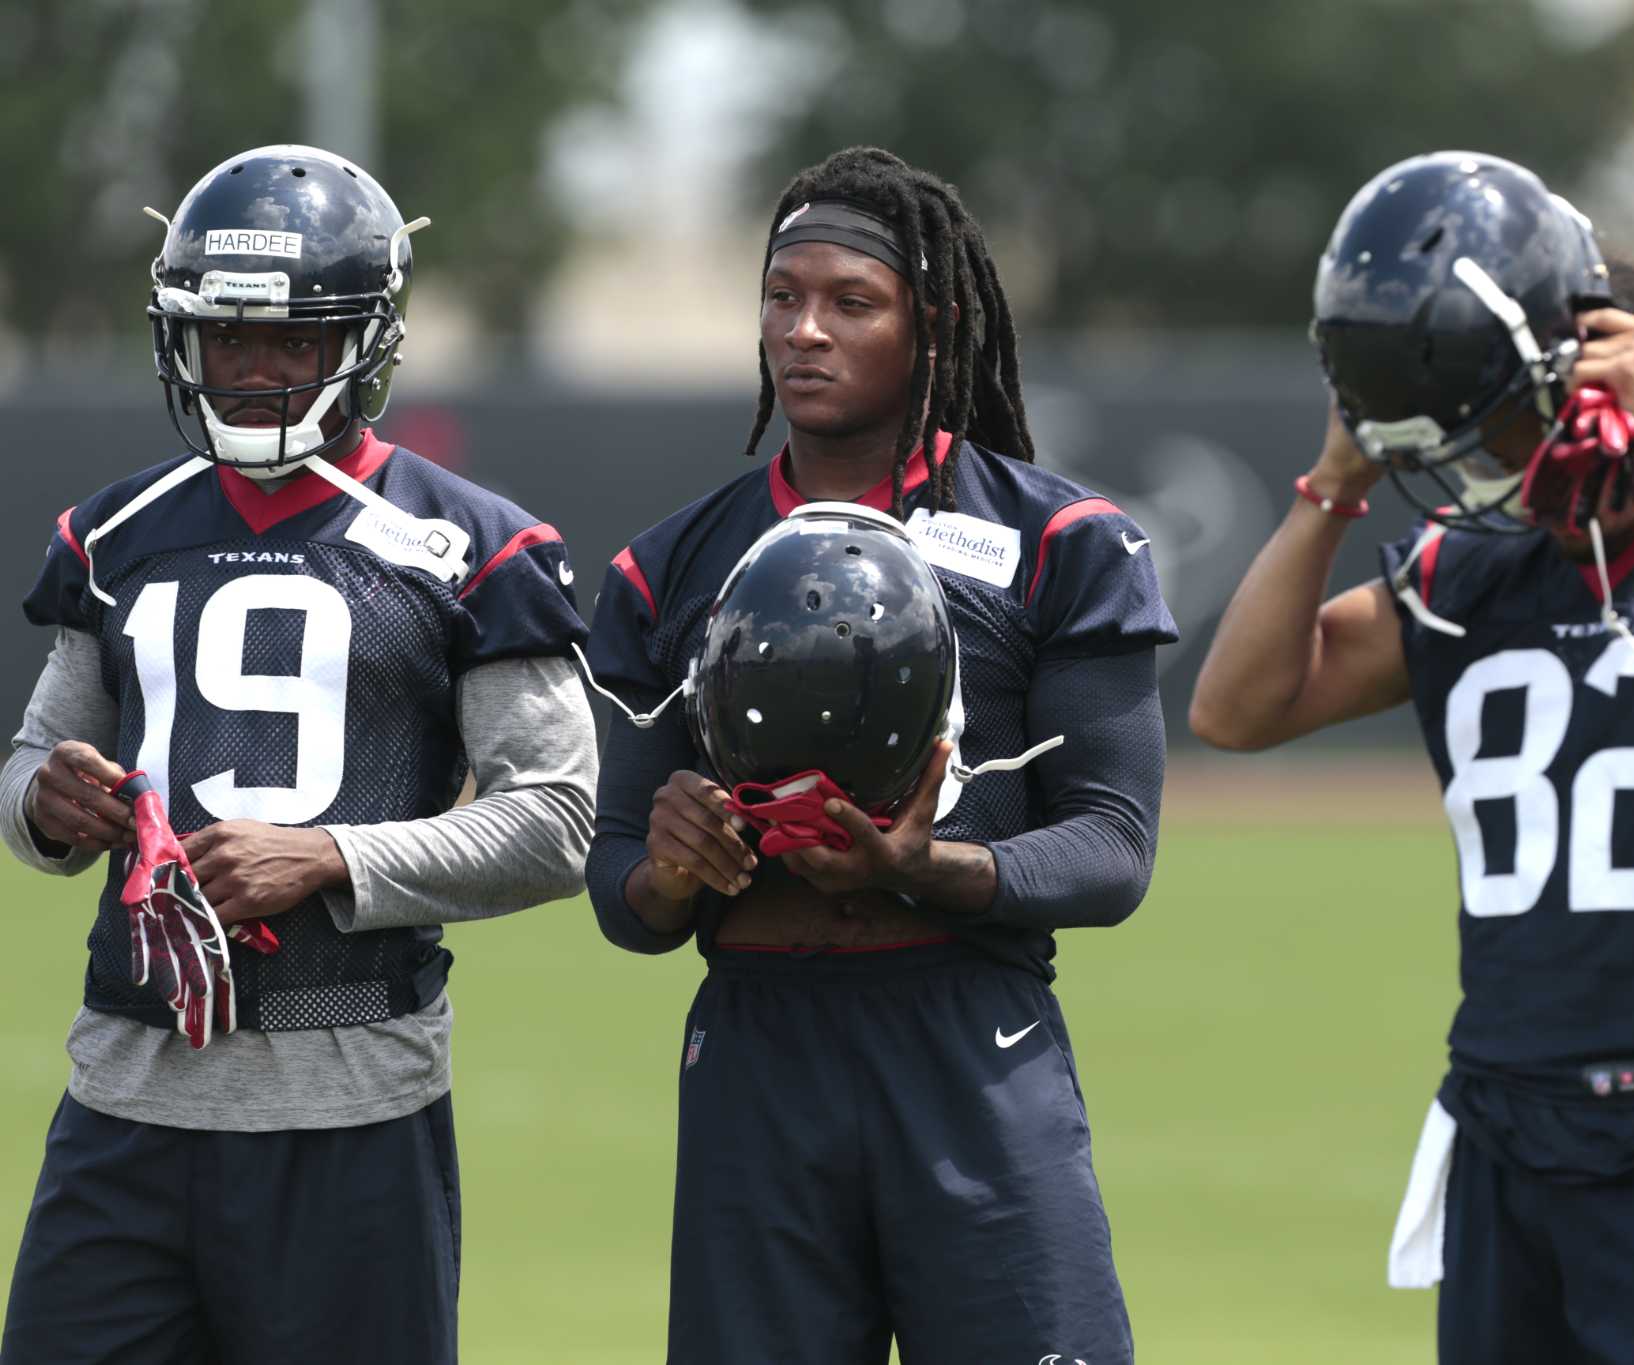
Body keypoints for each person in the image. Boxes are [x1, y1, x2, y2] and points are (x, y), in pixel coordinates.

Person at [1190, 151, 1634, 1364]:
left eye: (1507, 417)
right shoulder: (1470, 575)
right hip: (1506, 1124)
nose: (1482, 464)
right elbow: (1236, 708)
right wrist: (1332, 480)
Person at [0, 145, 597, 1365]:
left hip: (350, 1107)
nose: (258, 369)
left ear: (362, 342)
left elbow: (559, 818)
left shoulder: (467, 549)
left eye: (294, 340)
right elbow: (25, 769)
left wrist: (327, 856)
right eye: (228, 338)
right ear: (183, 341)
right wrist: (50, 805)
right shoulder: (118, 534)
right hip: (123, 1096)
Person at [579, 145, 1175, 1365]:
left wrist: (922, 865)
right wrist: (675, 866)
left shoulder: (1060, 540)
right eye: (780, 298)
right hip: (760, 1052)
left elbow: (1113, 849)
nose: (803, 331)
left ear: (932, 323)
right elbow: (620, 894)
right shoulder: (664, 568)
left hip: (968, 1042)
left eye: (850, 302)